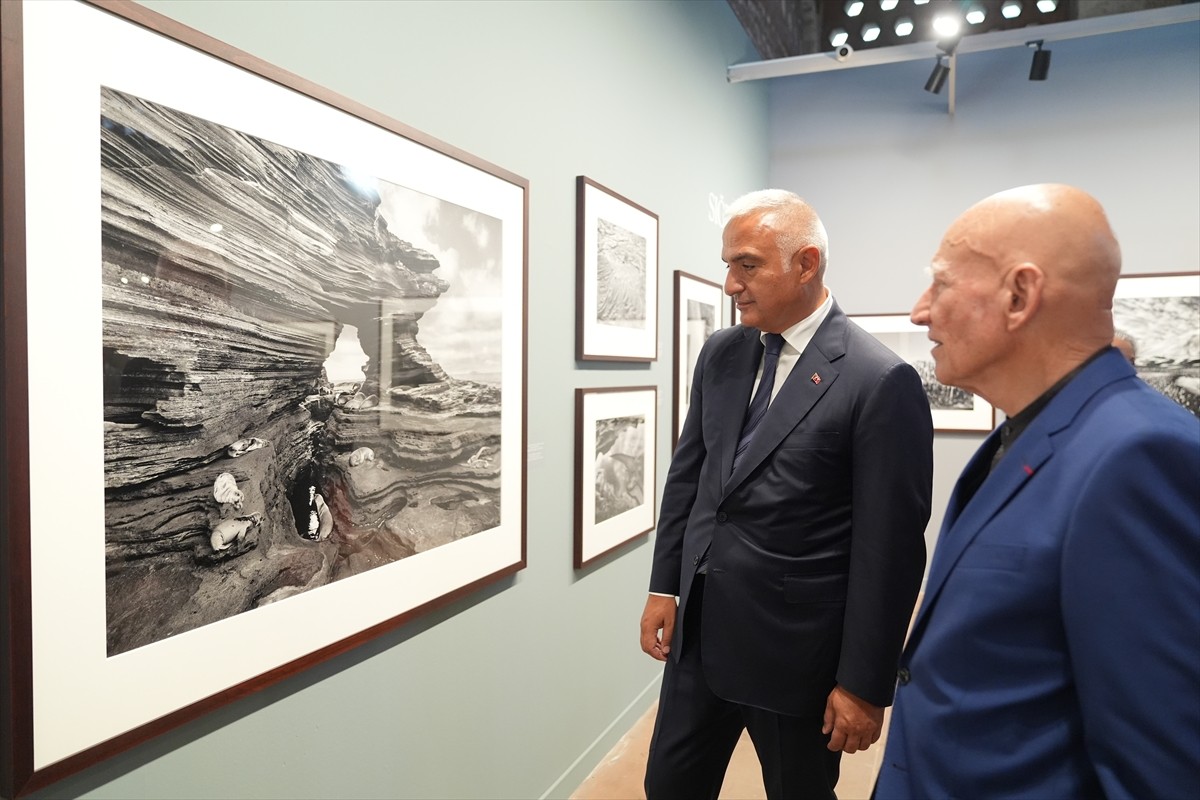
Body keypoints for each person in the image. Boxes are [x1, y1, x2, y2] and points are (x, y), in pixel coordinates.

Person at [875, 184, 1200, 799]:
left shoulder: (1137, 455)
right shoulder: (1031, 434)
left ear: (1019, 295)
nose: (920, 311)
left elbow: (1164, 769)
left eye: (940, 283)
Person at [640, 190, 933, 799]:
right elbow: (690, 480)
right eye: (728, 265)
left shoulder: (877, 379)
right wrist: (664, 584)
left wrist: (863, 684)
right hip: (698, 635)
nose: (729, 284)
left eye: (747, 265)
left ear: (806, 264)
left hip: (795, 654)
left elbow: (890, 552)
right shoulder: (722, 353)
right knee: (668, 786)